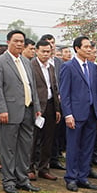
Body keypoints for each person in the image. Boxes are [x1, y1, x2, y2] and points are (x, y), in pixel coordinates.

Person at [0, 30, 42, 193]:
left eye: (22, 41)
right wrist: (1, 109)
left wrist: (37, 108)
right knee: (8, 148)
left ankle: (22, 179)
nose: (20, 44)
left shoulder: (26, 61)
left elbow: (32, 86)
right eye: (16, 41)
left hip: (28, 110)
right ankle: (9, 181)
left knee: (25, 147)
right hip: (9, 111)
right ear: (8, 42)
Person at [59, 36, 97, 192]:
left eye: (90, 47)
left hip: (91, 113)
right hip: (76, 114)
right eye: (86, 46)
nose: (89, 49)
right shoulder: (68, 67)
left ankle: (83, 177)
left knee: (87, 147)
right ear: (77, 48)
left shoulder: (93, 67)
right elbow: (64, 93)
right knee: (73, 146)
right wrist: (68, 114)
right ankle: (71, 177)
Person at [30, 39, 61, 181]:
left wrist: (57, 109)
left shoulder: (51, 67)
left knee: (48, 139)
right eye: (43, 51)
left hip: (50, 105)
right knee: (33, 139)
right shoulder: (31, 66)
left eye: (48, 51)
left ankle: (44, 168)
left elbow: (54, 88)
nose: (46, 54)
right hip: (36, 107)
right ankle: (29, 168)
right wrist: (35, 107)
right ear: (36, 51)